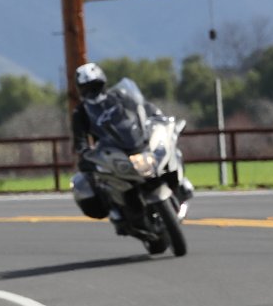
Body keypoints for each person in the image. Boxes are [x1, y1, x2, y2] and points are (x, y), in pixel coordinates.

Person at [70, 63, 192, 226]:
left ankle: (178, 185)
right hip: (110, 150)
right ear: (81, 90)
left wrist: (158, 117)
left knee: (169, 149)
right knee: (102, 182)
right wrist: (84, 152)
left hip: (134, 141)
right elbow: (80, 138)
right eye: (88, 88)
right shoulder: (81, 112)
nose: (93, 91)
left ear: (103, 84)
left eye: (96, 86)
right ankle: (119, 210)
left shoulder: (119, 96)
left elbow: (143, 107)